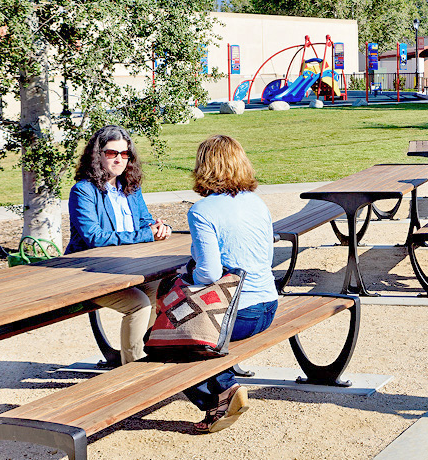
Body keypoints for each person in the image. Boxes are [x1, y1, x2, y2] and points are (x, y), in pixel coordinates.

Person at [183, 134, 278, 433]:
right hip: (268, 306)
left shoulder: (202, 211)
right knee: (191, 333)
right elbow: (268, 254)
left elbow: (209, 274)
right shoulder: (257, 203)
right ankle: (224, 390)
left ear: (203, 167)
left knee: (170, 341)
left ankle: (222, 394)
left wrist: (190, 280)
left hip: (239, 314)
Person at [67, 125, 172, 365]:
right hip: (90, 271)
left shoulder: (131, 188)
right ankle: (133, 369)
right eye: (112, 153)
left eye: (124, 154)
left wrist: (158, 227)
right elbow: (94, 237)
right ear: (97, 155)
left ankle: (144, 351)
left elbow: (144, 221)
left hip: (124, 268)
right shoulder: (83, 191)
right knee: (138, 304)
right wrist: (144, 234)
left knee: (164, 289)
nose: (119, 159)